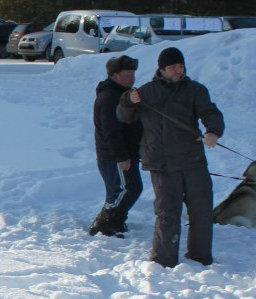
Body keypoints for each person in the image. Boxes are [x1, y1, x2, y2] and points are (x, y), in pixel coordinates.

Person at [117, 45, 224, 267]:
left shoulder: (195, 90)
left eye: (181, 66)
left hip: (192, 160)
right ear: (162, 69)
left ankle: (200, 257)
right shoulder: (146, 92)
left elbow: (210, 112)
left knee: (201, 211)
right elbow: (123, 116)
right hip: (161, 163)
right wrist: (128, 101)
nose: (178, 70)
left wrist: (213, 131)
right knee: (168, 213)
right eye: (173, 67)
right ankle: (163, 261)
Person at [88, 54, 143, 238]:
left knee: (121, 190)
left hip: (125, 152)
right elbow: (110, 130)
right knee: (126, 189)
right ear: (115, 75)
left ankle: (114, 222)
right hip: (114, 155)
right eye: (128, 74)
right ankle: (105, 223)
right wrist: (121, 156)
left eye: (133, 73)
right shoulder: (110, 97)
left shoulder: (124, 94)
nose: (132, 77)